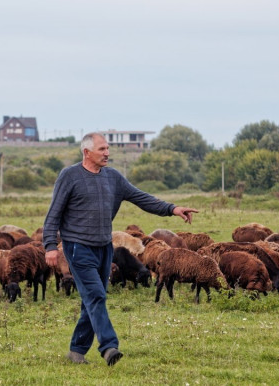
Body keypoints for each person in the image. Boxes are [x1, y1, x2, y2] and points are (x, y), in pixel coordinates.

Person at [42, 132, 198, 366]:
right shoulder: (70, 176)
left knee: (91, 299)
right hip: (77, 247)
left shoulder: (113, 177)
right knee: (96, 295)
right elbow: (54, 212)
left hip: (104, 246)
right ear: (86, 152)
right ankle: (108, 346)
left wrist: (172, 209)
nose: (107, 153)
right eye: (102, 149)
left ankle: (76, 351)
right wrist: (50, 246)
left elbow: (141, 197)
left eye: (107, 148)